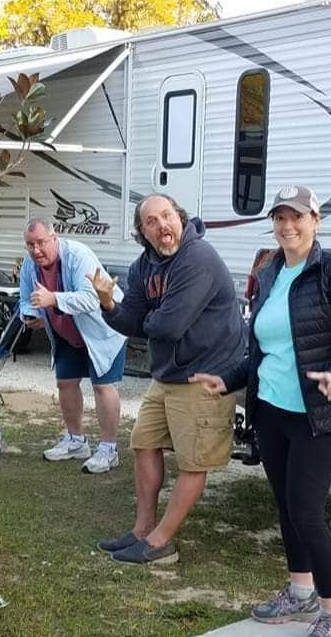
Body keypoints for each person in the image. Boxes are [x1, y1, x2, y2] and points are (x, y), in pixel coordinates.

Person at [191, 183, 331, 637]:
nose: (287, 226)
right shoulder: (271, 271)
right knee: (284, 505)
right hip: (273, 409)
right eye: (279, 218)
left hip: (320, 412)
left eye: (296, 217)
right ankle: (299, 593)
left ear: (316, 220)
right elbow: (261, 347)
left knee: (307, 511)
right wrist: (229, 379)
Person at [88, 194, 246, 564]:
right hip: (168, 375)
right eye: (151, 222)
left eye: (167, 216)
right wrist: (108, 304)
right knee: (143, 443)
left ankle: (161, 542)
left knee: (193, 461)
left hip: (204, 376)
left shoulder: (198, 259)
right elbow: (131, 320)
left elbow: (170, 325)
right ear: (142, 232)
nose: (162, 226)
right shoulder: (144, 266)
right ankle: (142, 530)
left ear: (181, 217)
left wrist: (144, 319)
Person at [19, 218, 127, 474]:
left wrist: (53, 299)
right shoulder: (29, 264)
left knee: (102, 386)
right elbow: (25, 299)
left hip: (102, 330)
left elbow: (92, 299)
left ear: (54, 238)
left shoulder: (79, 255)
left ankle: (109, 449)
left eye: (41, 243)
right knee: (65, 383)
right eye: (30, 245)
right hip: (66, 333)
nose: (36, 250)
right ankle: (76, 441)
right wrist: (29, 315)